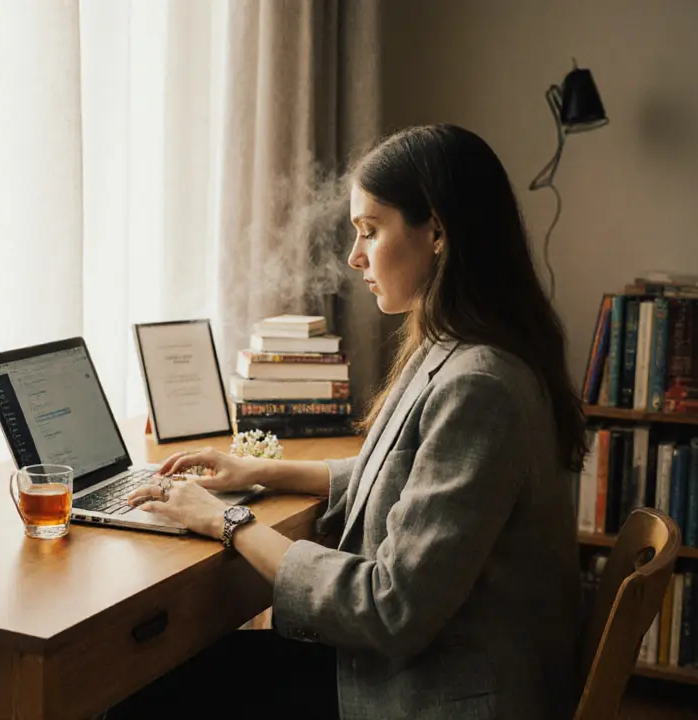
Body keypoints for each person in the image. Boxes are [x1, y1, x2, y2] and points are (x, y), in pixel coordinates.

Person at [108, 124, 586, 720]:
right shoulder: (461, 350)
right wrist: (256, 470)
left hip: (430, 693)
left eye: (370, 230)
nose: (354, 256)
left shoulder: (478, 385)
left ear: (437, 230)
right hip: (423, 668)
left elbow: (388, 607)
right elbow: (408, 471)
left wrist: (225, 520)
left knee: (137, 697)